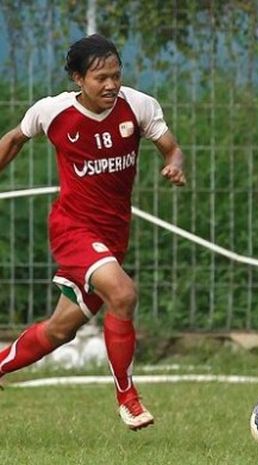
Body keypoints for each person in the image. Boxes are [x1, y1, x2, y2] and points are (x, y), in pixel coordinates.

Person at [0, 34, 186, 431]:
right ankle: (128, 399)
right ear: (77, 78)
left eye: (116, 75)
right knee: (123, 293)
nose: (111, 85)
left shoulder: (138, 106)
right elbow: (14, 140)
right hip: (72, 229)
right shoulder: (52, 112)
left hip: (113, 237)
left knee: (60, 329)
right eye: (100, 77)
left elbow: (171, 146)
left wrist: (174, 163)